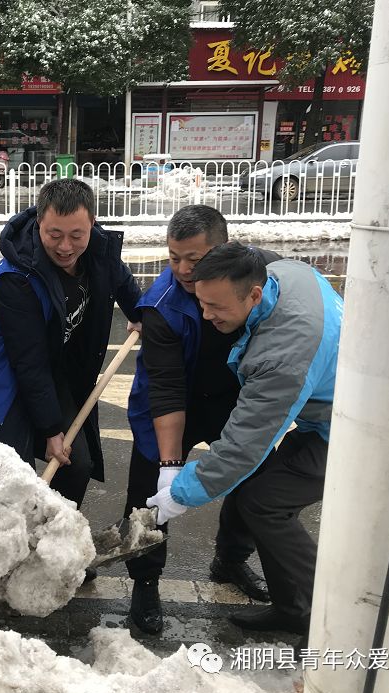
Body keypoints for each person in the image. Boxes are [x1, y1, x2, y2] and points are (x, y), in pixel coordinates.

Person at [147, 243, 342, 636]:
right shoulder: (284, 272)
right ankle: (273, 592)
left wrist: (178, 494)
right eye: (201, 302)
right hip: (332, 407)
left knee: (266, 503)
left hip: (351, 429)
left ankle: (320, 614)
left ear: (254, 294)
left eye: (216, 307)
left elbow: (243, 447)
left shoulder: (282, 356)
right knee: (259, 494)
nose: (206, 314)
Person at [123, 206, 279, 634]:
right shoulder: (161, 306)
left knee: (254, 479)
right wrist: (171, 468)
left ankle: (230, 560)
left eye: (194, 258)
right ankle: (146, 580)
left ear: (225, 248)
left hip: (234, 396)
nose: (184, 270)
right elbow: (168, 387)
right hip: (173, 401)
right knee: (149, 488)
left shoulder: (258, 277)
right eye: (174, 257)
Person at [0, 179, 141, 513]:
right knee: (5, 476)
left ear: (92, 226)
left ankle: (51, 544)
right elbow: (28, 361)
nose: (65, 247)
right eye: (54, 235)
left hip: (50, 372)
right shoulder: (17, 277)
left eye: (76, 235)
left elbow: (124, 284)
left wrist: (141, 314)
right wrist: (51, 430)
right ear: (39, 223)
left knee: (76, 464)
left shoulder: (99, 250)